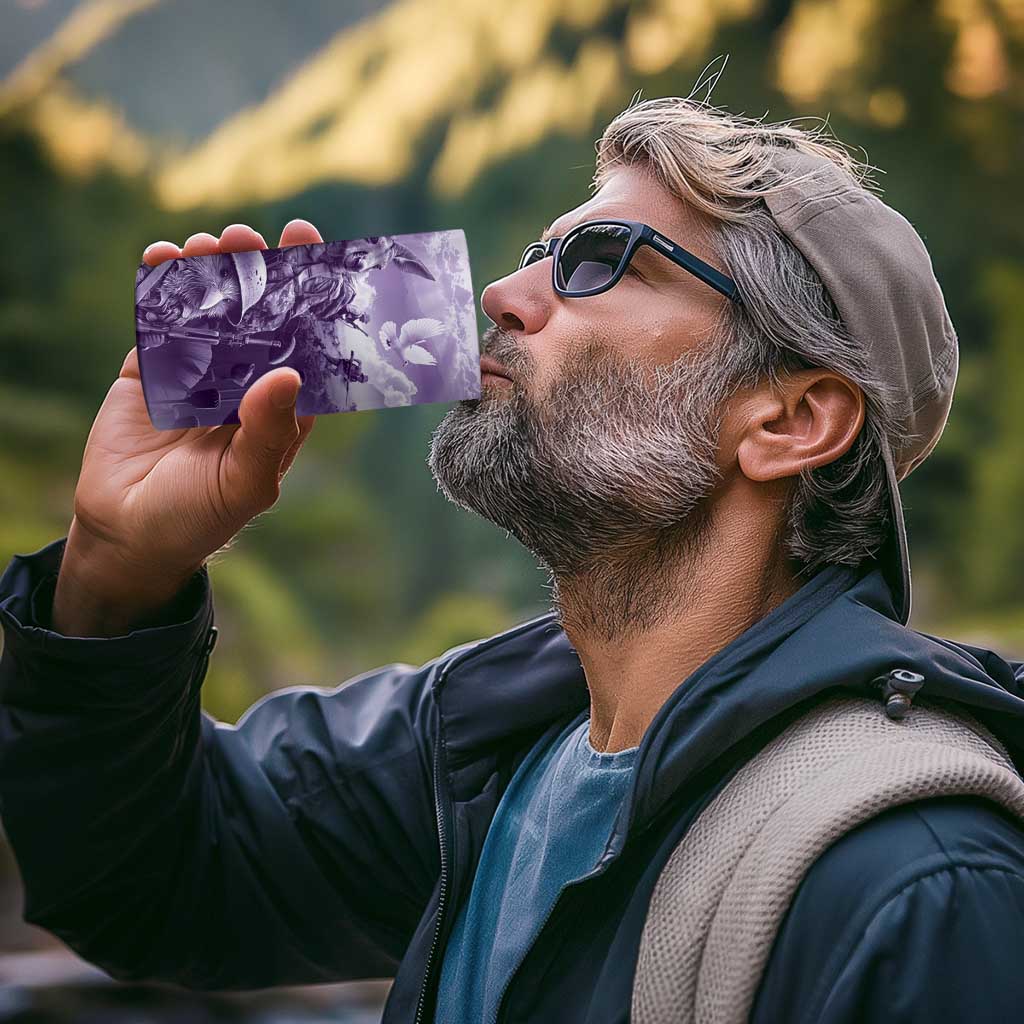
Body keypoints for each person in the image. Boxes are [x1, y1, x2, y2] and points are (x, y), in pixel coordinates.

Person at [2, 94, 1024, 1024]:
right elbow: (149, 880)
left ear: (790, 419)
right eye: (540, 252)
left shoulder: (918, 884)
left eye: (600, 262)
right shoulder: (481, 748)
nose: (502, 292)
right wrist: (115, 572)